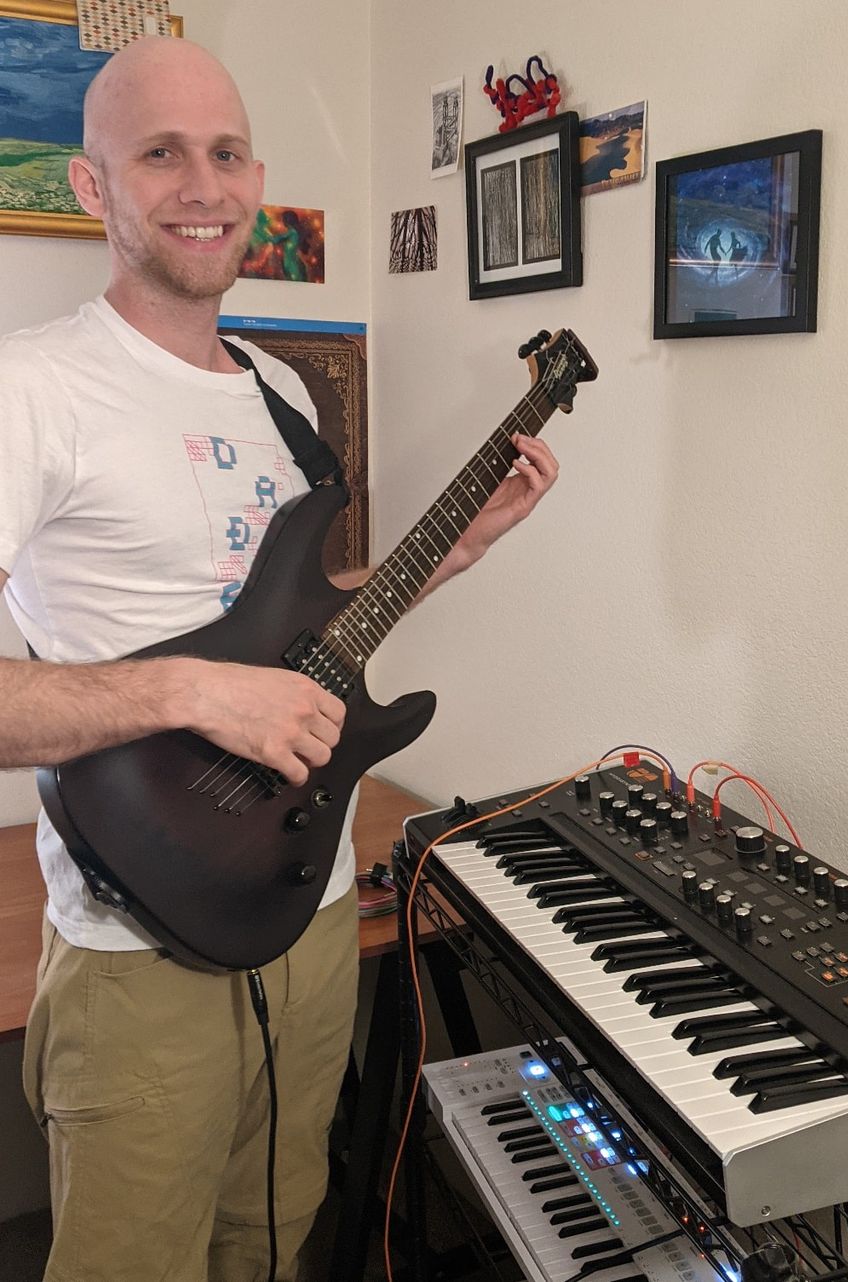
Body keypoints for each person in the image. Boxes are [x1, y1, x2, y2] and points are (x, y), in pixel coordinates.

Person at [0, 35, 559, 1282]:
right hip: (136, 945)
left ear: (257, 176)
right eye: (161, 154)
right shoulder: (32, 390)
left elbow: (300, 629)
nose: (204, 185)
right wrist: (193, 691)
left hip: (306, 906)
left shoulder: (284, 395)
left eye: (227, 152)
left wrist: (450, 550)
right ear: (94, 189)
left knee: (272, 1235)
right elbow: (226, 677)